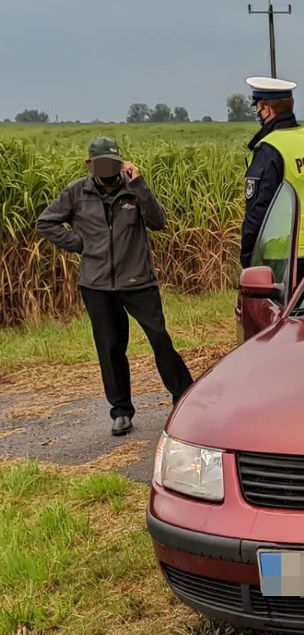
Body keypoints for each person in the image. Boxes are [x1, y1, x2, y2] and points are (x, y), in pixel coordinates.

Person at [35, 137, 194, 436]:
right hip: (96, 284)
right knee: (110, 348)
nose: (108, 168)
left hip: (138, 280)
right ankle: (121, 411)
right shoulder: (77, 193)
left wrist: (140, 185)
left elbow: (158, 222)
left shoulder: (133, 190)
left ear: (121, 163)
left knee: (159, 337)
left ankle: (184, 396)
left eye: (114, 162)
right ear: (90, 164)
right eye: (102, 162)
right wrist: (78, 244)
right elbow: (46, 222)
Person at [241, 76, 304, 283]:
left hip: (283, 258)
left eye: (258, 107)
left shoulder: (270, 149)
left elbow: (257, 211)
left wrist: (249, 262)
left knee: (279, 316)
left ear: (266, 109)